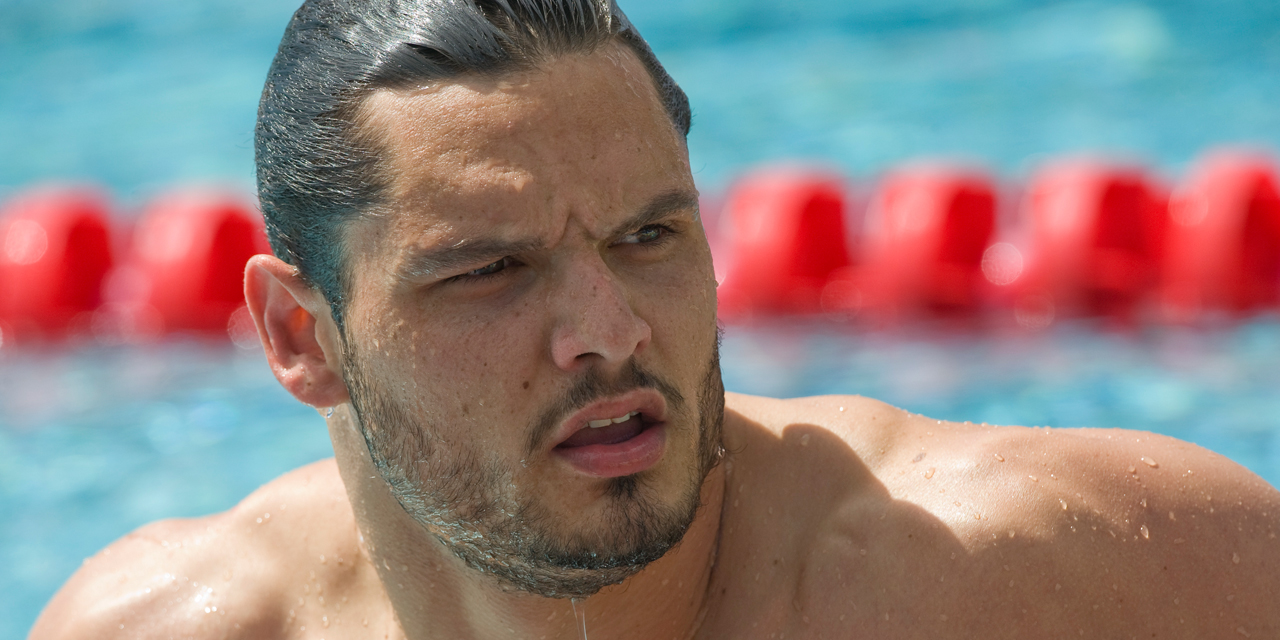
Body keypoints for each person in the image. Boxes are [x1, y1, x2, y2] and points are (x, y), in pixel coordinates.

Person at [32, 1, 1280, 638]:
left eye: (648, 236)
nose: (607, 329)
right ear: (302, 337)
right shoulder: (172, 628)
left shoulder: (1052, 576)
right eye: (488, 270)